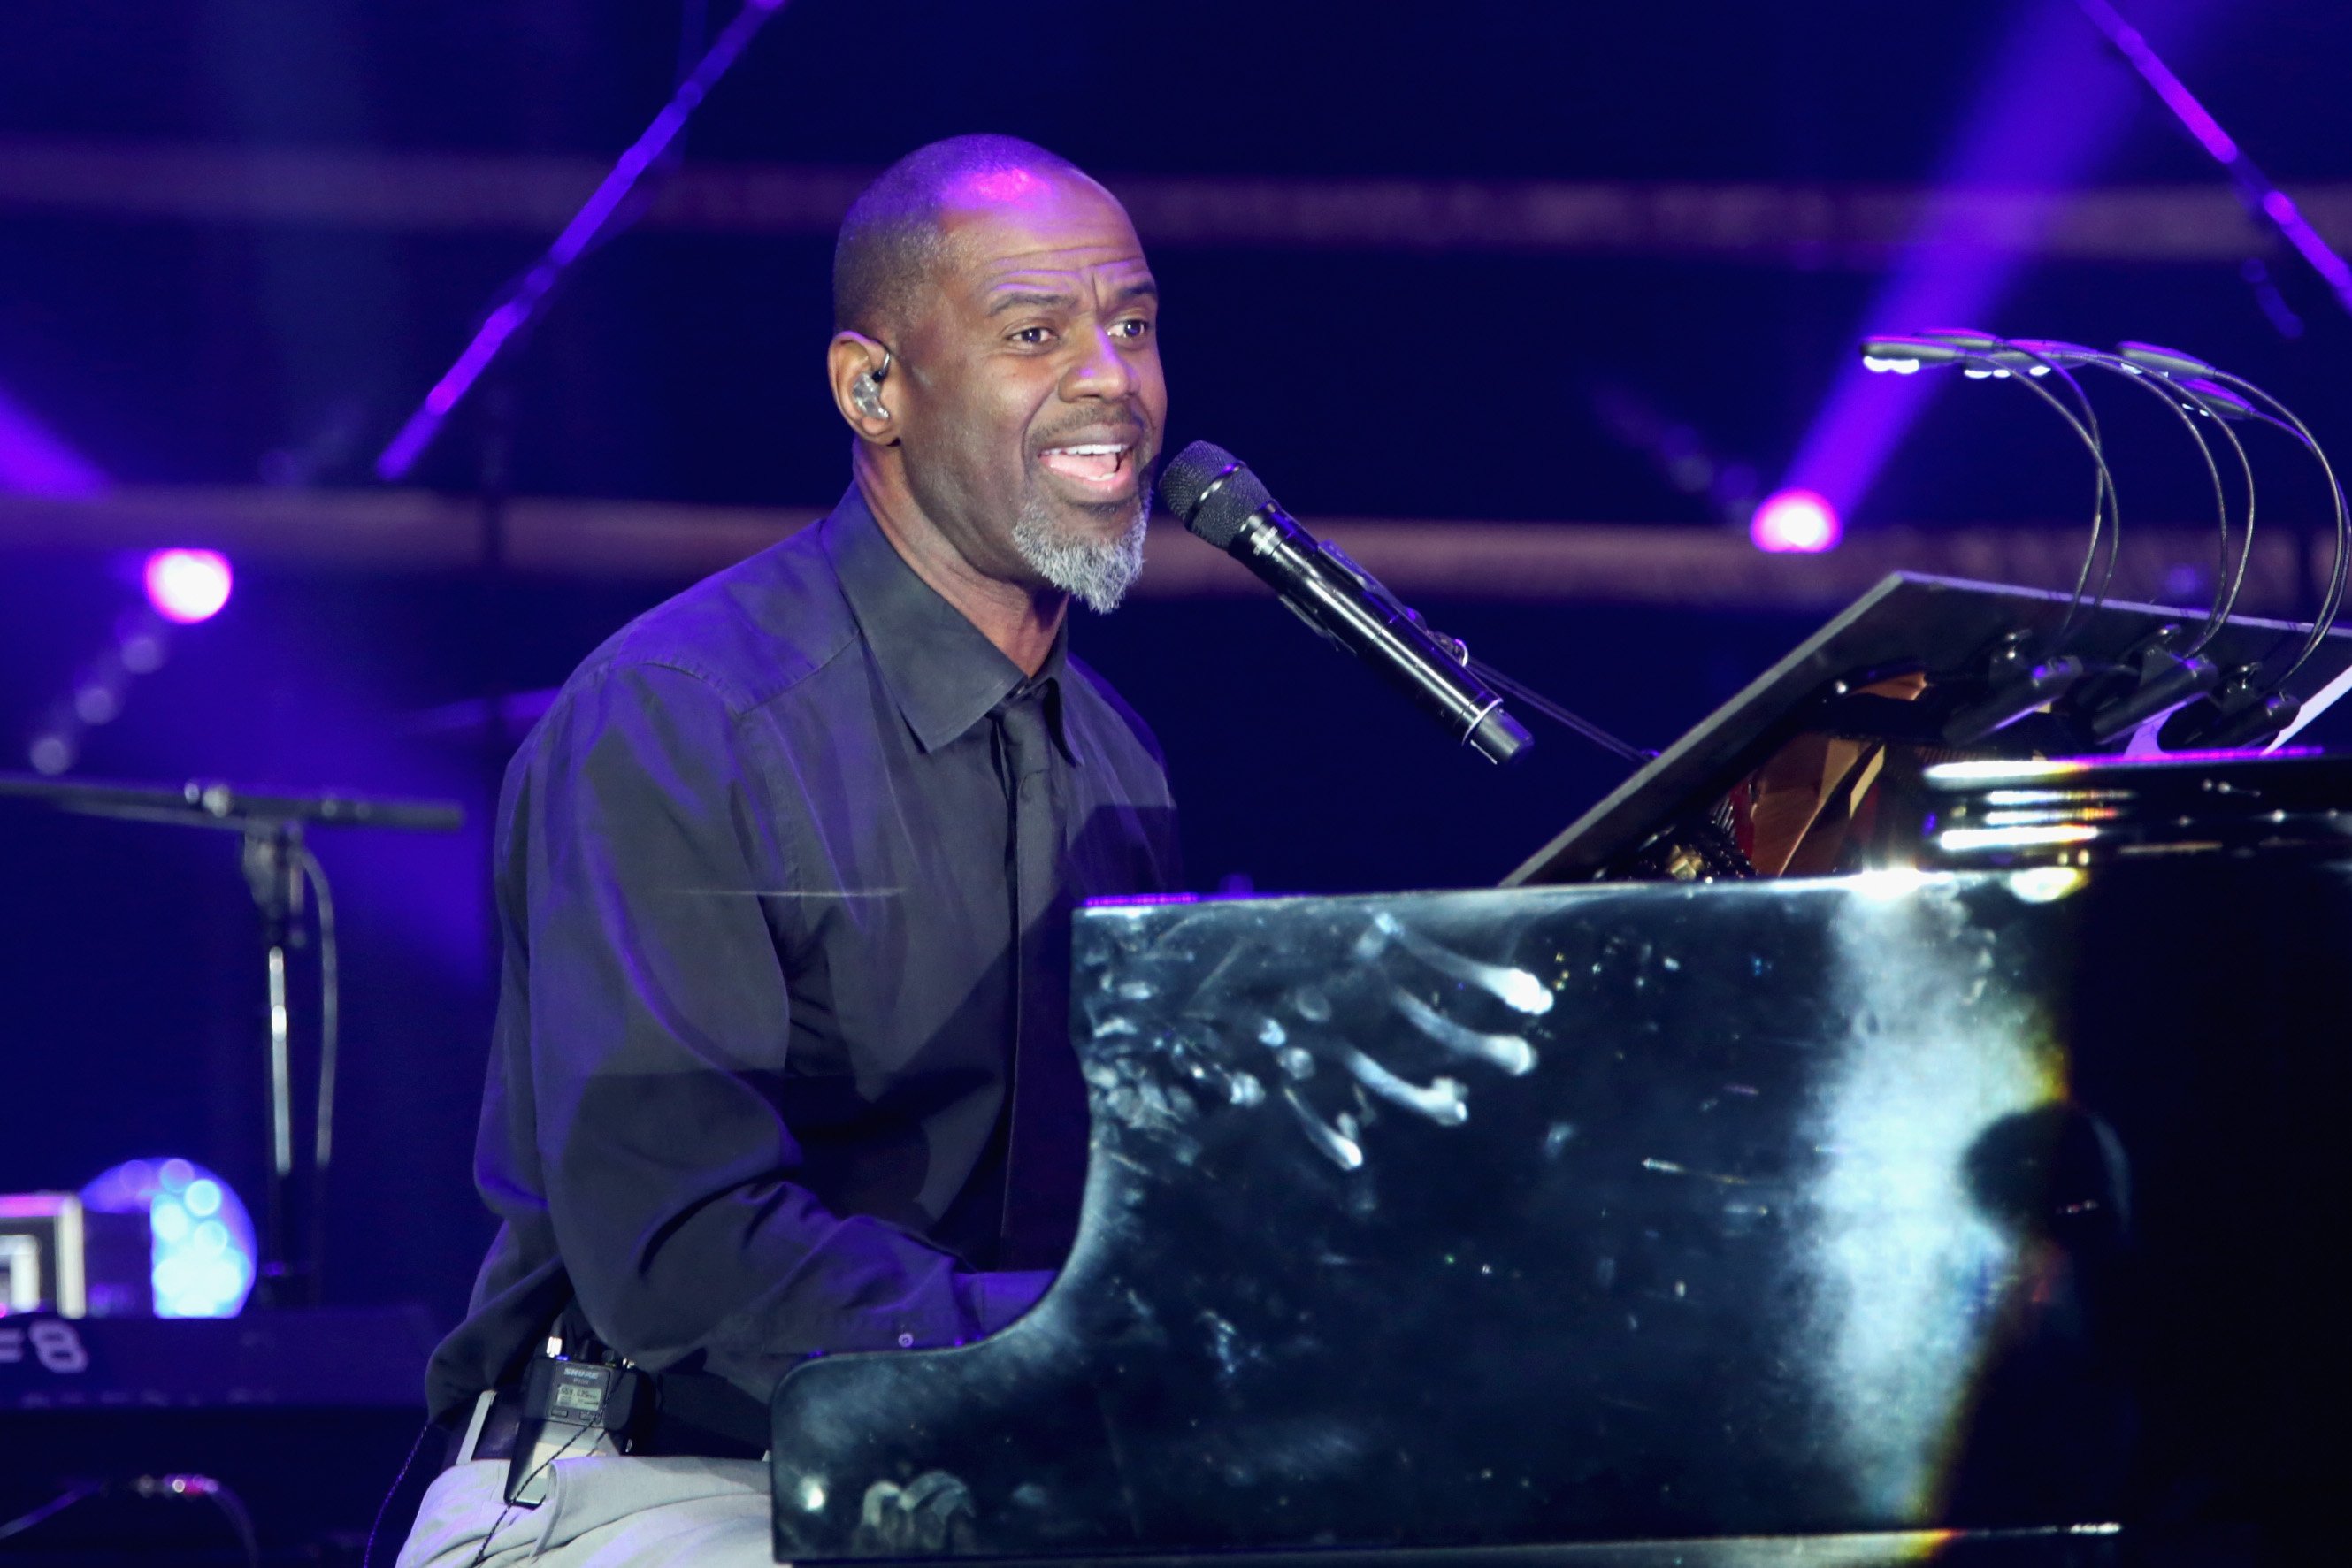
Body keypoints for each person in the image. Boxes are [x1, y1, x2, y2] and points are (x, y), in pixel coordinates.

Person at [396, 134, 1180, 1567]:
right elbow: (682, 1248)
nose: (1110, 380)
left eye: (1131, 324)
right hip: (657, 1476)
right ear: (871, 388)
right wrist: (1076, 1342)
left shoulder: (1114, 759)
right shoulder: (679, 720)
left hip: (971, 1477)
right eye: (1035, 333)